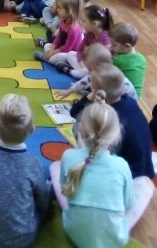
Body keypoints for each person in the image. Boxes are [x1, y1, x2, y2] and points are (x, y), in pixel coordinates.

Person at [51, 94, 151, 248]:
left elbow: (66, 191)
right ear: (116, 135)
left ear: (79, 131)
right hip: (114, 239)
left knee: (55, 167)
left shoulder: (69, 156)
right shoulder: (121, 165)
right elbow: (128, 204)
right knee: (145, 183)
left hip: (73, 231)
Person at [0, 94, 50, 248]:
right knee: (48, 184)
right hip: (23, 239)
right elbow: (43, 200)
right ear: (32, 129)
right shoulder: (34, 164)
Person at [70, 64, 155, 180]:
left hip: (126, 175)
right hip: (144, 168)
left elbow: (75, 113)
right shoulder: (129, 101)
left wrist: (89, 97)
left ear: (96, 91)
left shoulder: (108, 117)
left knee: (80, 129)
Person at [55, 43, 138, 101]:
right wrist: (69, 91)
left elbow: (108, 100)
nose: (88, 72)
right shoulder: (100, 72)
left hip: (125, 101)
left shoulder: (109, 79)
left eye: (90, 69)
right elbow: (85, 81)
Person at [56, 4, 113, 76]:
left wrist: (86, 65)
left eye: (83, 21)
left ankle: (71, 72)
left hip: (98, 70)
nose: (81, 23)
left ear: (94, 23)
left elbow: (102, 64)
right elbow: (80, 50)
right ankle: (79, 72)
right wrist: (81, 63)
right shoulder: (89, 33)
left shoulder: (105, 40)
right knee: (71, 54)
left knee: (89, 72)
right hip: (87, 64)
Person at [33, 0, 83, 66]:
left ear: (70, 11)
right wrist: (52, 49)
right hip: (61, 48)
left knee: (56, 58)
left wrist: (53, 52)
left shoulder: (73, 29)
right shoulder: (63, 21)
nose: (57, 10)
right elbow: (58, 37)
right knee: (47, 46)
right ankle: (51, 58)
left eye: (60, 8)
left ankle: (46, 58)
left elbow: (68, 48)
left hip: (71, 53)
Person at [110, 22, 147, 98]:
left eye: (114, 45)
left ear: (127, 46)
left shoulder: (118, 60)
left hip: (125, 95)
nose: (111, 47)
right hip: (136, 95)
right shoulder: (141, 58)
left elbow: (103, 65)